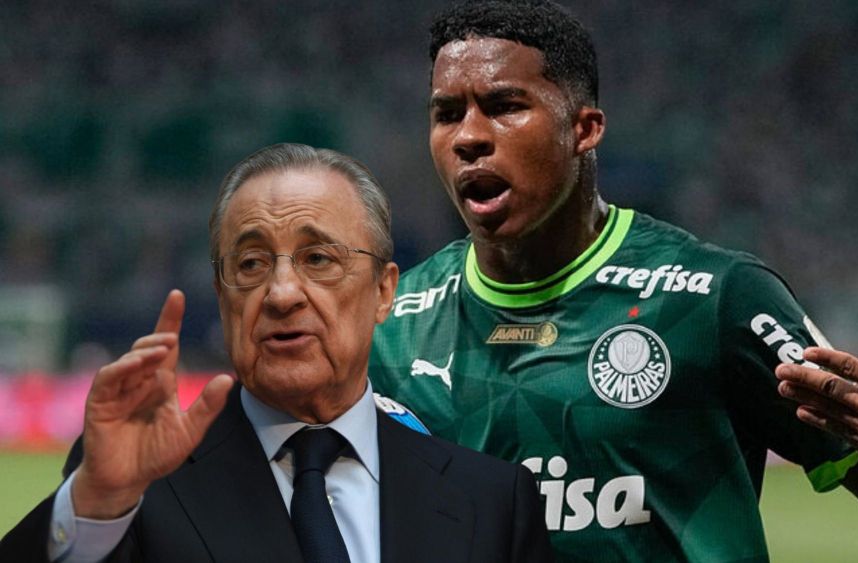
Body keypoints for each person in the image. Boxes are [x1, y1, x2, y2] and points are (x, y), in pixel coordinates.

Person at [367, 1, 858, 561]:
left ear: (584, 129)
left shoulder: (716, 297)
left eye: (504, 107)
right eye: (447, 114)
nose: (468, 137)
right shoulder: (393, 327)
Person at [0, 143, 554, 563]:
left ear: (384, 291)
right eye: (251, 264)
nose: (282, 293)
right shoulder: (136, 490)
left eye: (318, 259)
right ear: (222, 297)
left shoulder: (492, 502)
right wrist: (96, 502)